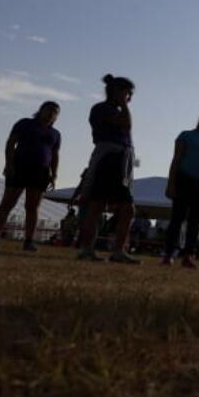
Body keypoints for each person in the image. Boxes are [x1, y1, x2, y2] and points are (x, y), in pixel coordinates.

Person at [76, 74, 140, 264]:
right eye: (128, 93)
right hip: (108, 157)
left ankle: (118, 251)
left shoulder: (116, 109)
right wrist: (124, 104)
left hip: (123, 158)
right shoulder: (101, 109)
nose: (130, 98)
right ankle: (87, 249)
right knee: (96, 205)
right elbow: (126, 124)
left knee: (128, 208)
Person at [0, 101, 61, 251]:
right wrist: (8, 164)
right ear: (41, 110)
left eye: (55, 112)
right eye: (49, 110)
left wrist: (54, 174)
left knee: (33, 207)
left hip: (41, 171)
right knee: (7, 203)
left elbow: (55, 154)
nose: (51, 114)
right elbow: (11, 143)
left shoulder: (55, 134)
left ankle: (28, 241)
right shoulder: (25, 124)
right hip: (20, 166)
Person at [162, 108, 199, 269]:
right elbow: (176, 159)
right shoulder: (186, 136)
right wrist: (171, 183)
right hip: (185, 179)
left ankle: (188, 255)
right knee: (177, 218)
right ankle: (169, 254)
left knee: (194, 222)